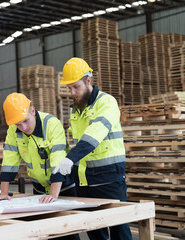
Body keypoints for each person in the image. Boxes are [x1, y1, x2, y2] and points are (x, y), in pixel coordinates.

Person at [53, 57, 132, 240]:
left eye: (76, 87)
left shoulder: (106, 103)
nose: (72, 92)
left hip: (109, 179)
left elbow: (93, 136)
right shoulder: (77, 110)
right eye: (69, 88)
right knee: (94, 231)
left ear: (88, 81)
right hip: (85, 180)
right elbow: (77, 144)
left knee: (119, 230)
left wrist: (69, 159)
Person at [0, 92, 79, 240]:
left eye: (26, 121)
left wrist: (53, 195)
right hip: (38, 189)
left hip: (62, 187)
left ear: (32, 110)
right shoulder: (14, 130)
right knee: (43, 232)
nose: (23, 127)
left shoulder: (51, 124)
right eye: (18, 124)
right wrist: (4, 193)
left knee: (65, 233)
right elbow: (9, 161)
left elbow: (58, 162)